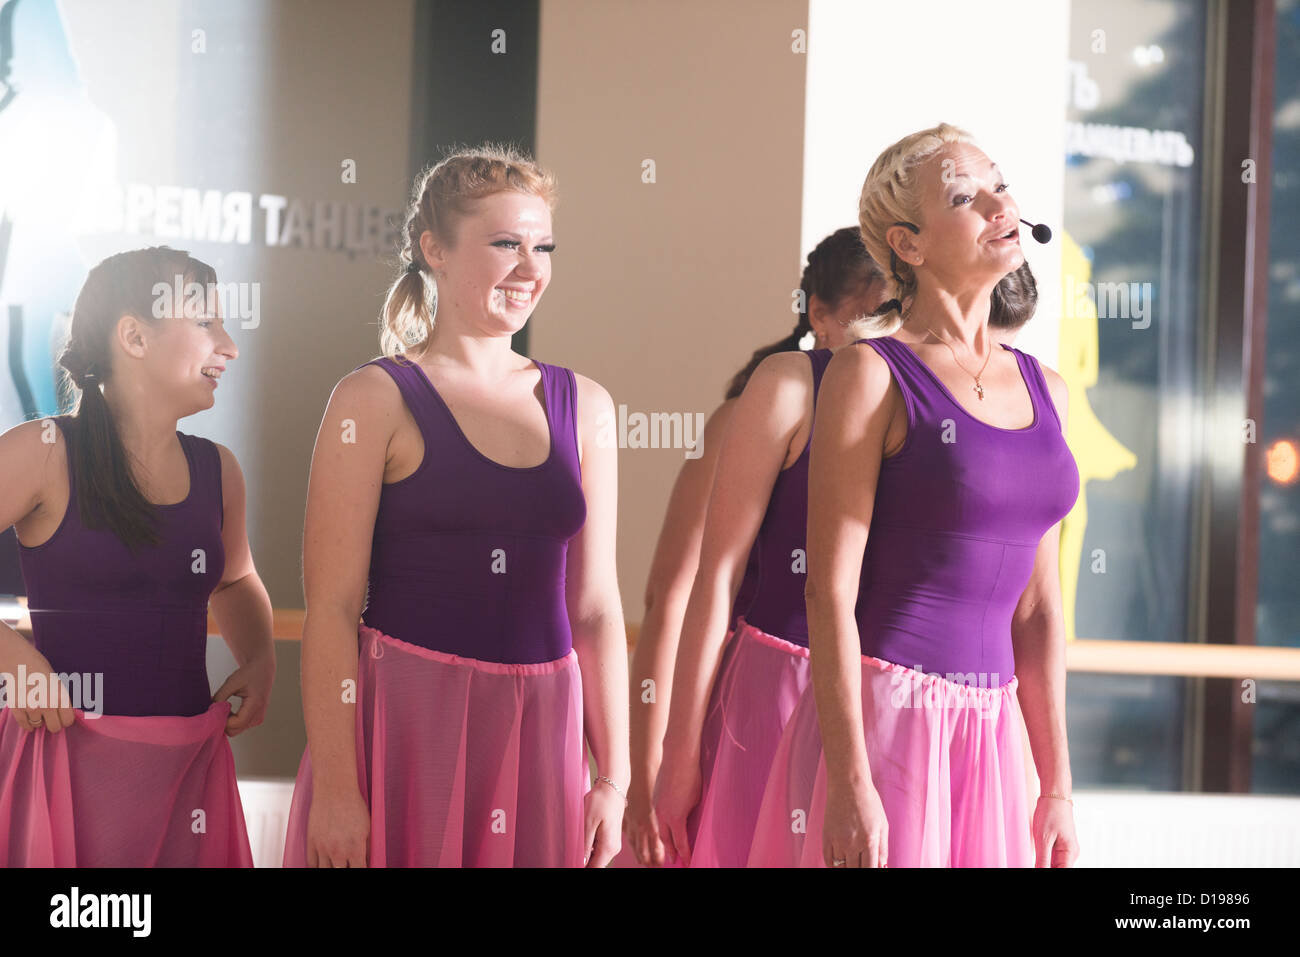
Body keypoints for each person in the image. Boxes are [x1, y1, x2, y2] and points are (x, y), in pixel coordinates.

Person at [282, 145, 629, 868]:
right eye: (506, 243)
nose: (531, 267)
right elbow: (334, 610)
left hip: (542, 733)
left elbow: (595, 608)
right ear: (433, 249)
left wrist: (614, 778)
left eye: (543, 246)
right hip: (407, 728)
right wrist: (340, 789)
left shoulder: (586, 405)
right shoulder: (371, 398)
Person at [748, 123, 1080, 868]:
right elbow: (827, 593)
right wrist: (849, 780)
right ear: (909, 244)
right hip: (886, 722)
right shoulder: (870, 374)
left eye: (1001, 183)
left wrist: (1056, 783)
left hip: (992, 739)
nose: (1001, 204)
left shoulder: (1046, 389)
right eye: (966, 196)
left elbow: (1038, 607)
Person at [619, 228, 885, 867]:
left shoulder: (910, 417)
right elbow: (671, 597)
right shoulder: (758, 412)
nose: (889, 333)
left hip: (872, 703)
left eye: (901, 311)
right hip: (766, 697)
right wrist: (648, 770)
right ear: (819, 315)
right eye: (874, 314)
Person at [0, 246, 273, 866]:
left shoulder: (218, 469)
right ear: (134, 336)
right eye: (206, 323)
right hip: (64, 767)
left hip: (184, 775)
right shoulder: (43, 451)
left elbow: (235, 580)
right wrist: (10, 656)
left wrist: (259, 657)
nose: (229, 346)